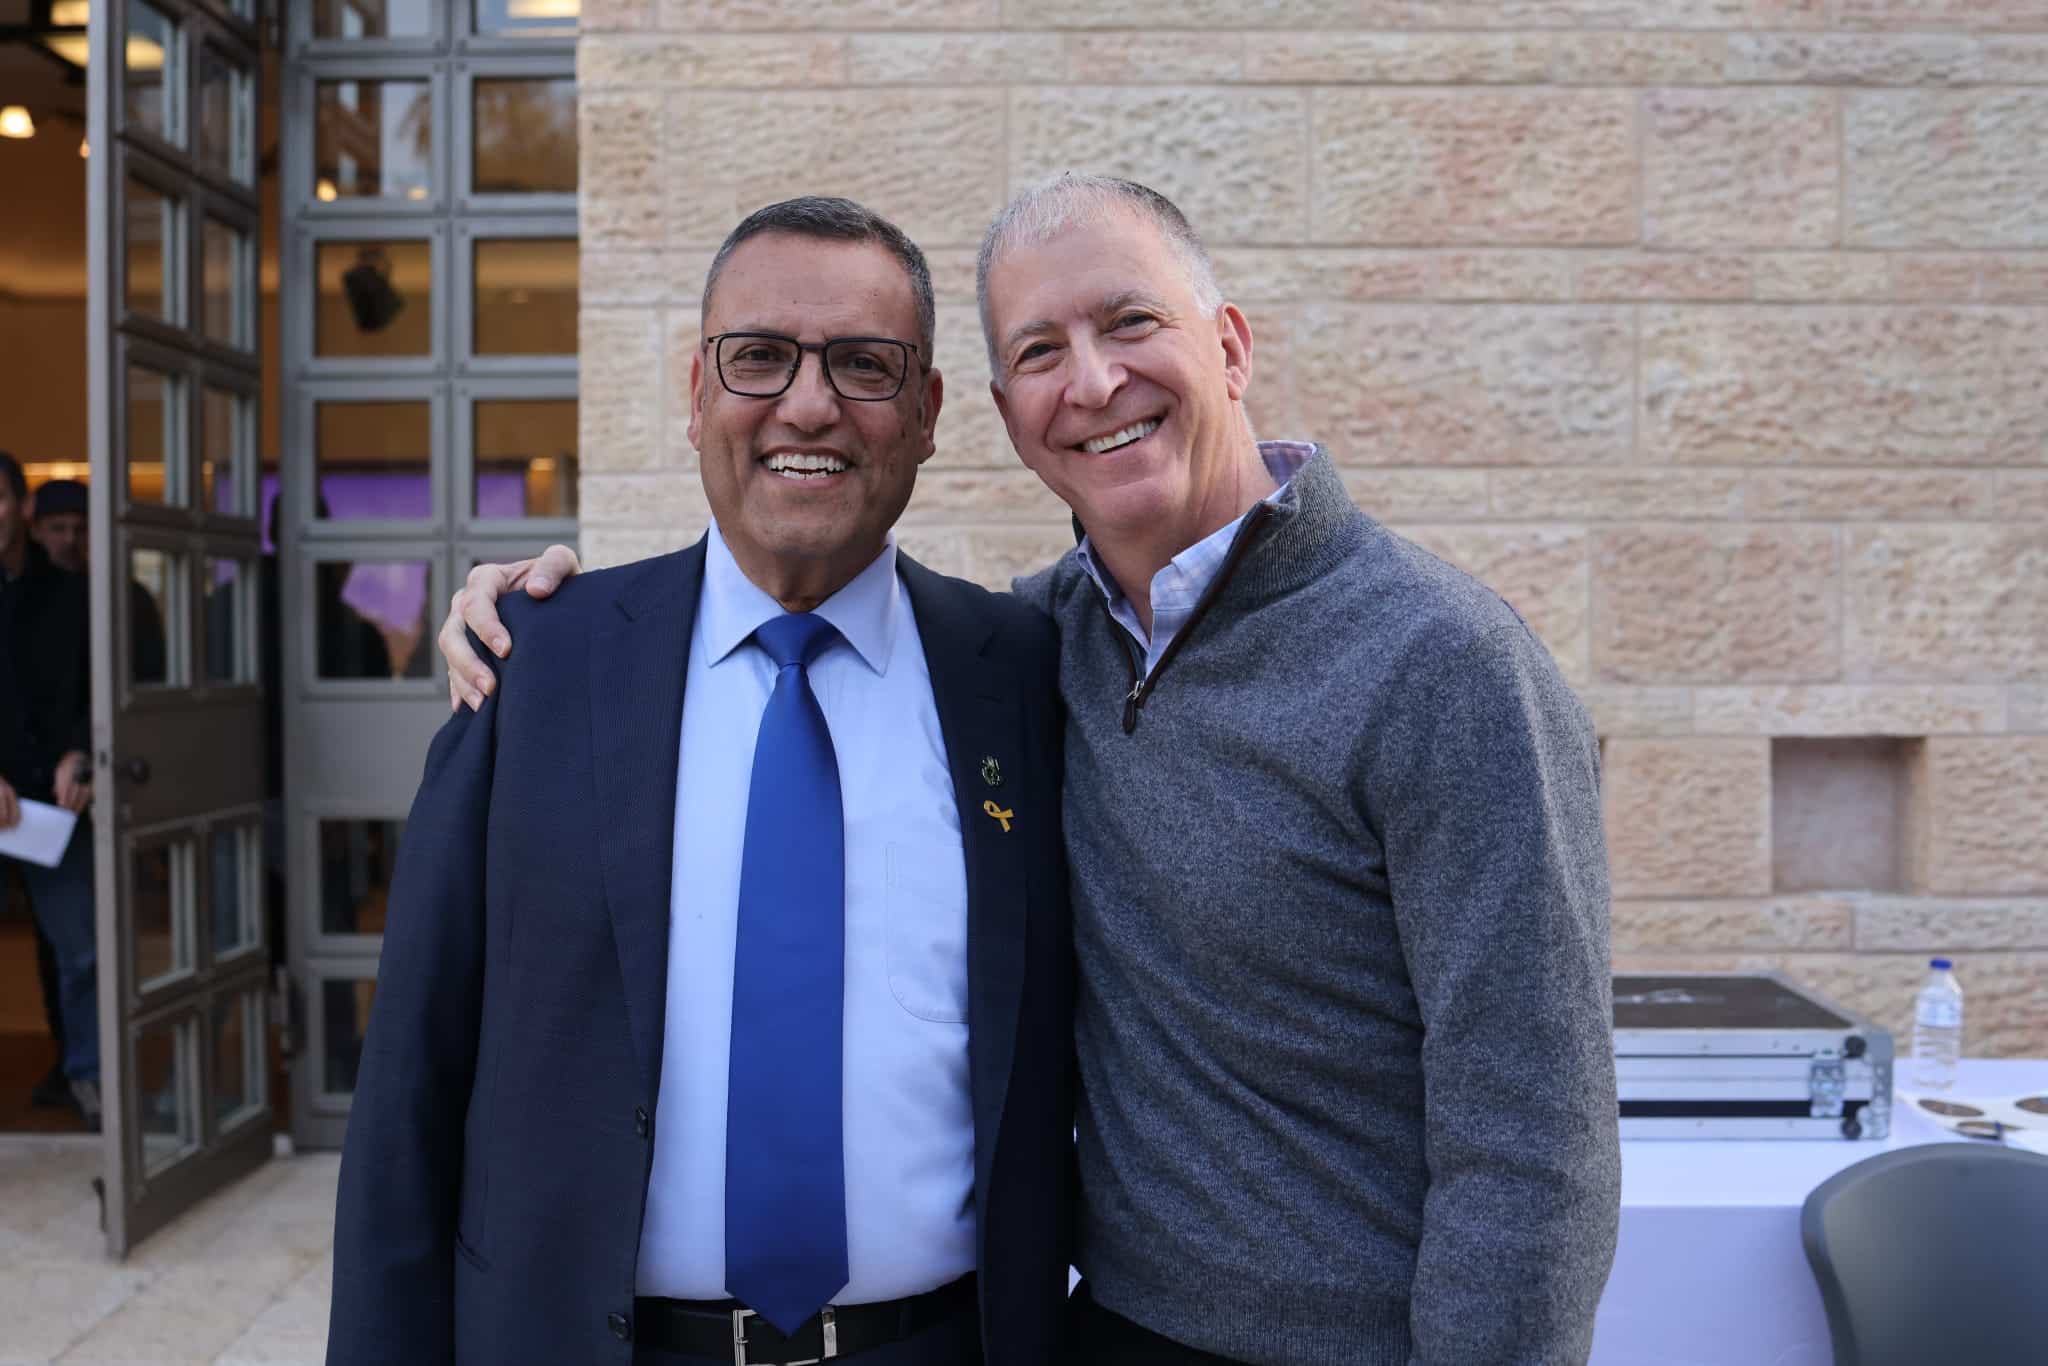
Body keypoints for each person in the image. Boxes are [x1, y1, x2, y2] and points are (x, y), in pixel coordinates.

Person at [442, 177, 1621, 1365]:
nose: (1093, 382)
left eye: (1130, 322)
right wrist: (528, 612)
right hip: (1101, 1332)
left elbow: (1531, 1143)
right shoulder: (1033, 647)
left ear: (1229, 346)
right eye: (1040, 351)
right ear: (1006, 413)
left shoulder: (1445, 666)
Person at [328, 198, 1074, 1366]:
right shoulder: (536, 665)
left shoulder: (1022, 673)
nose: (808, 404)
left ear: (927, 412)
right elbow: (408, 1093)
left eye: (863, 364)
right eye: (759, 356)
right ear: (693, 393)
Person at [0, 453, 100, 1131]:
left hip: (48, 804)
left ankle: (88, 1077)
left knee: (80, 948)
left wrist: (80, 752)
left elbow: (97, 688)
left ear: (20, 508)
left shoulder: (68, 594)